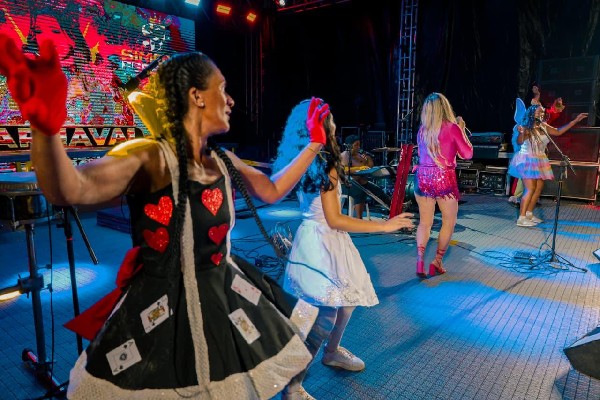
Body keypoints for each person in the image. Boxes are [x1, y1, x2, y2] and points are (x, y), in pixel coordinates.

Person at [0, 34, 333, 399]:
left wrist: (315, 144)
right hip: (163, 305)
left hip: (225, 291)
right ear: (197, 96)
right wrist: (45, 129)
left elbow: (272, 190)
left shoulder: (223, 161)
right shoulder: (150, 156)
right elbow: (71, 189)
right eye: (223, 89)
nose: (231, 100)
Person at [272, 102, 414, 399]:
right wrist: (385, 226)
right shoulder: (325, 164)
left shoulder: (303, 159)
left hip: (316, 239)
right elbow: (335, 219)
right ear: (322, 127)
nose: (335, 124)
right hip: (323, 242)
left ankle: (332, 352)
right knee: (325, 314)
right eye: (331, 119)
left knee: (345, 301)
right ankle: (292, 387)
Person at [414, 93, 473, 278]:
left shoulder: (422, 130)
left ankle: (420, 260)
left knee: (425, 222)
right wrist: (461, 129)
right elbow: (467, 154)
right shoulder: (452, 128)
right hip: (443, 178)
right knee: (449, 221)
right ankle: (437, 261)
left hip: (423, 176)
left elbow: (422, 154)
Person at [508, 104, 587, 227]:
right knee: (530, 189)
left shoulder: (543, 126)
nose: (541, 114)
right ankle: (521, 218)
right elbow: (519, 141)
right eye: (539, 112)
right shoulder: (527, 127)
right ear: (532, 113)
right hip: (527, 159)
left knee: (538, 188)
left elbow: (558, 131)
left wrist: (575, 120)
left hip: (540, 159)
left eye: (542, 112)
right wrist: (522, 133)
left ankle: (529, 214)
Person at [340, 134, 391, 218]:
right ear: (349, 146)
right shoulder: (344, 155)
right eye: (356, 145)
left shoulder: (359, 155)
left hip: (360, 182)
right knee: (360, 193)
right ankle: (359, 218)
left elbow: (369, 166)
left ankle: (394, 209)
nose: (358, 147)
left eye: (359, 145)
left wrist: (368, 158)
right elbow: (345, 170)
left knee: (378, 190)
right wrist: (359, 168)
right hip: (346, 184)